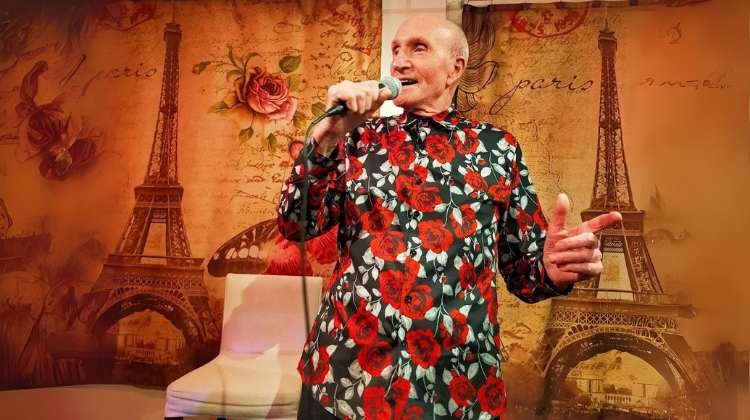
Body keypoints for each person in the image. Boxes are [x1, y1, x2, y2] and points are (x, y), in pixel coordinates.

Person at [277, 14, 621, 420]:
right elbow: (297, 225)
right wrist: (327, 135)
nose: (399, 62)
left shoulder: (498, 149)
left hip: (455, 386)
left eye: (418, 48)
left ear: (455, 69)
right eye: (396, 50)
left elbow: (524, 275)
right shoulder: (357, 138)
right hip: (344, 377)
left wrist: (549, 268)